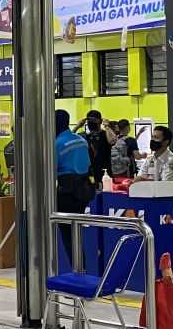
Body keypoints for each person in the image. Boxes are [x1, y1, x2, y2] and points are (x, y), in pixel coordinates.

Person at [55, 110, 94, 267]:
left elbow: (51, 169)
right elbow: (89, 164)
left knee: (67, 235)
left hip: (66, 192)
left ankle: (77, 270)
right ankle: (81, 268)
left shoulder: (56, 143)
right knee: (76, 232)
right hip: (83, 191)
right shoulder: (81, 140)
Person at [76, 110, 117, 186]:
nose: (91, 123)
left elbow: (112, 141)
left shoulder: (105, 134)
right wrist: (77, 126)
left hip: (105, 173)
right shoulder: (83, 136)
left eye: (94, 120)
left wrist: (107, 126)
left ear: (100, 121)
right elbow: (69, 139)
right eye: (89, 121)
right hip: (88, 173)